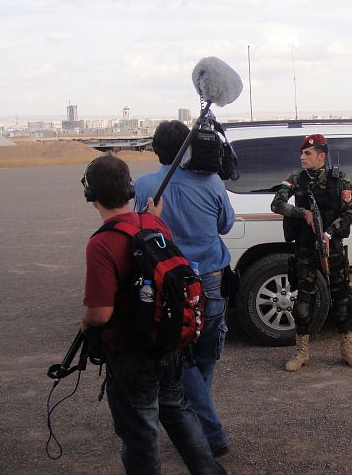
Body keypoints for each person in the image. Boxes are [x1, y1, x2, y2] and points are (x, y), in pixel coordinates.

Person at [80, 154, 224, 474]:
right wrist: (150, 216)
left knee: (141, 433)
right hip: (168, 342)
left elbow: (101, 313)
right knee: (180, 413)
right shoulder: (153, 223)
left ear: (93, 196)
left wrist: (85, 321)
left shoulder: (101, 243)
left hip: (132, 353)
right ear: (129, 189)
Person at [134, 120, 236, 458]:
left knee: (184, 358)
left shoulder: (147, 185)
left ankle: (197, 424)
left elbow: (140, 231)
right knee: (204, 354)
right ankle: (211, 432)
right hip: (210, 278)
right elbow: (226, 224)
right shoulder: (211, 183)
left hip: (169, 284)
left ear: (156, 150)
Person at [270, 134, 352, 371]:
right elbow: (277, 204)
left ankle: (347, 349)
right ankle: (301, 352)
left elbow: (351, 213)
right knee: (303, 302)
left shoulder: (340, 179)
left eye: (308, 153)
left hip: (331, 248)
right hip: (305, 248)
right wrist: (303, 213)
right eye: (302, 153)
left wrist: (329, 232)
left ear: (322, 156)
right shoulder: (295, 178)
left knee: (342, 299)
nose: (302, 157)